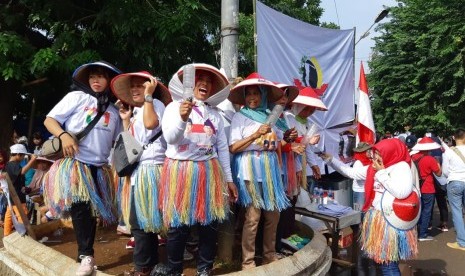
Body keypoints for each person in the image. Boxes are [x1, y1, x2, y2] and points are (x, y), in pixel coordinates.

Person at [42, 61, 122, 276]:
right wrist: (64, 135)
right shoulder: (77, 98)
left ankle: (87, 255)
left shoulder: (114, 111)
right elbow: (50, 120)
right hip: (76, 165)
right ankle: (85, 255)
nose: (96, 80)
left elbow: (119, 142)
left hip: (100, 168)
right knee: (81, 207)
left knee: (91, 214)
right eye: (93, 76)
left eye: (101, 76)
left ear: (109, 81)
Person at [160, 63, 238, 276]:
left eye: (208, 80)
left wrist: (228, 180)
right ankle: (174, 269)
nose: (204, 83)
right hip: (180, 171)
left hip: (208, 171)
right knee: (179, 223)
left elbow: (221, 147)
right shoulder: (173, 108)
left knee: (209, 223)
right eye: (198, 79)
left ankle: (205, 268)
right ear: (188, 84)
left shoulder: (214, 114)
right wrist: (182, 118)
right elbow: (171, 139)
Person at [111, 71, 171, 276]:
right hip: (138, 173)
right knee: (139, 223)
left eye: (141, 85)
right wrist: (126, 121)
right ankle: (147, 266)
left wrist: (148, 96)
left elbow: (151, 124)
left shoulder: (157, 106)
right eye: (133, 86)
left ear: (150, 87)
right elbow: (133, 145)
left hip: (154, 172)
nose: (136, 89)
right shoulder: (136, 111)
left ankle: (145, 268)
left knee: (151, 222)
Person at [228, 73, 290, 269]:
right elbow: (233, 147)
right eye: (249, 94)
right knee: (253, 218)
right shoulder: (240, 116)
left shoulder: (271, 118)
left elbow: (279, 142)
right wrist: (255, 135)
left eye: (256, 93)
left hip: (271, 171)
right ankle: (248, 260)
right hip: (249, 171)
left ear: (263, 95)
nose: (252, 97)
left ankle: (269, 254)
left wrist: (289, 136)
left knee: (273, 216)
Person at [360, 138, 418, 275]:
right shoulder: (380, 166)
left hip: (390, 222)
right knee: (386, 263)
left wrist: (381, 173)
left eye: (380, 153)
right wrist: (330, 160)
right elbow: (351, 173)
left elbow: (402, 192)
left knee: (387, 265)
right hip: (380, 219)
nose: (376, 157)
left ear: (391, 152)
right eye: (376, 153)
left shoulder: (401, 167)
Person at [410, 137, 442, 241]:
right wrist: (438, 163)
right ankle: (423, 234)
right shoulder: (430, 159)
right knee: (427, 211)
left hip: (416, 187)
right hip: (428, 187)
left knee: (418, 210)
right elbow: (439, 173)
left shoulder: (413, 157)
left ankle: (414, 231)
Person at [3, 144, 36, 236]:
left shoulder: (9, 165)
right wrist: (33, 160)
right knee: (22, 215)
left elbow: (16, 178)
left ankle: (7, 234)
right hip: (16, 196)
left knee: (9, 214)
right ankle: (24, 234)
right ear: (18, 154)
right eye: (22, 156)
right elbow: (22, 172)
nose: (22, 158)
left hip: (12, 195)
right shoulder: (13, 165)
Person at [441, 128, 465, 251]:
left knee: (457, 212)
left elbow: (445, 171)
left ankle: (462, 242)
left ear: (454, 138)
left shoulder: (449, 152)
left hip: (455, 181)